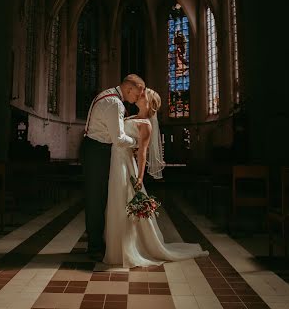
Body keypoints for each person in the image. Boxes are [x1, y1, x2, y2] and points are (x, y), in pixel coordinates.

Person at [104, 88, 209, 267]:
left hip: (127, 166)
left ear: (149, 102)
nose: (139, 94)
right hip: (115, 162)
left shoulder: (146, 124)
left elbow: (142, 153)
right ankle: (114, 248)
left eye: (143, 94)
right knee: (115, 201)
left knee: (124, 202)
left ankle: (130, 248)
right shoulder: (130, 117)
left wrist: (139, 178)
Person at [82, 74, 146, 260]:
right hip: (97, 151)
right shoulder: (115, 103)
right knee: (96, 198)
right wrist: (137, 142)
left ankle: (97, 240)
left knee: (99, 196)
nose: (137, 98)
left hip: (96, 149)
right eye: (138, 93)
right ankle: (94, 246)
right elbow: (118, 139)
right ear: (129, 88)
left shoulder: (109, 95)